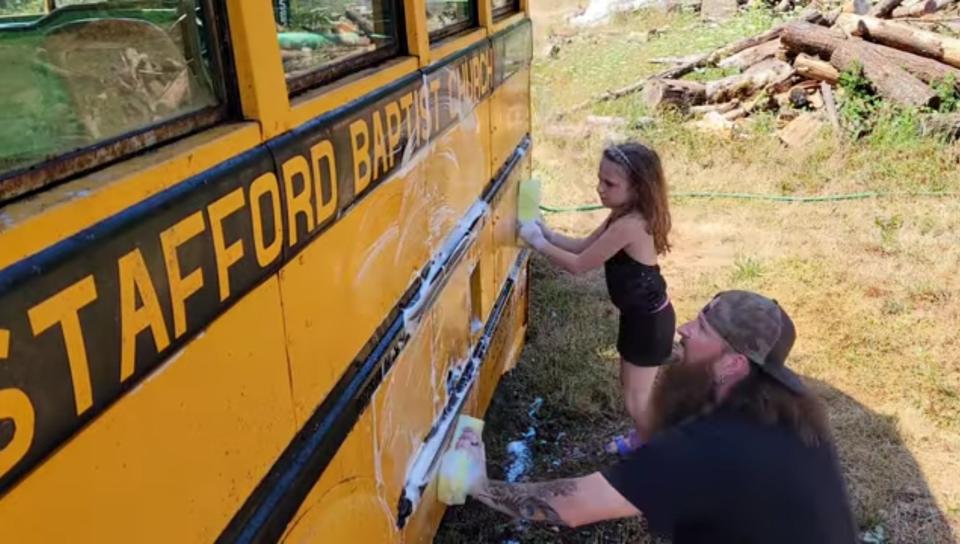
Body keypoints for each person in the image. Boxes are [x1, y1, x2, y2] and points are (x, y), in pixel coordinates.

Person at [455, 291, 858, 544]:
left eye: (701, 328)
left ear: (733, 363)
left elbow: (573, 506)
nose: (683, 329)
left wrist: (479, 485)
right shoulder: (787, 406)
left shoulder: (711, 448)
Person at [518, 142, 674, 452]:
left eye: (610, 183)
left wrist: (537, 243)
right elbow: (580, 246)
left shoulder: (630, 225)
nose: (599, 188)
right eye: (599, 179)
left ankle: (658, 452)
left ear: (638, 187)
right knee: (631, 389)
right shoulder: (621, 215)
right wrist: (546, 233)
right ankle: (645, 439)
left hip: (649, 323)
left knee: (635, 399)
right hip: (639, 317)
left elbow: (578, 266)